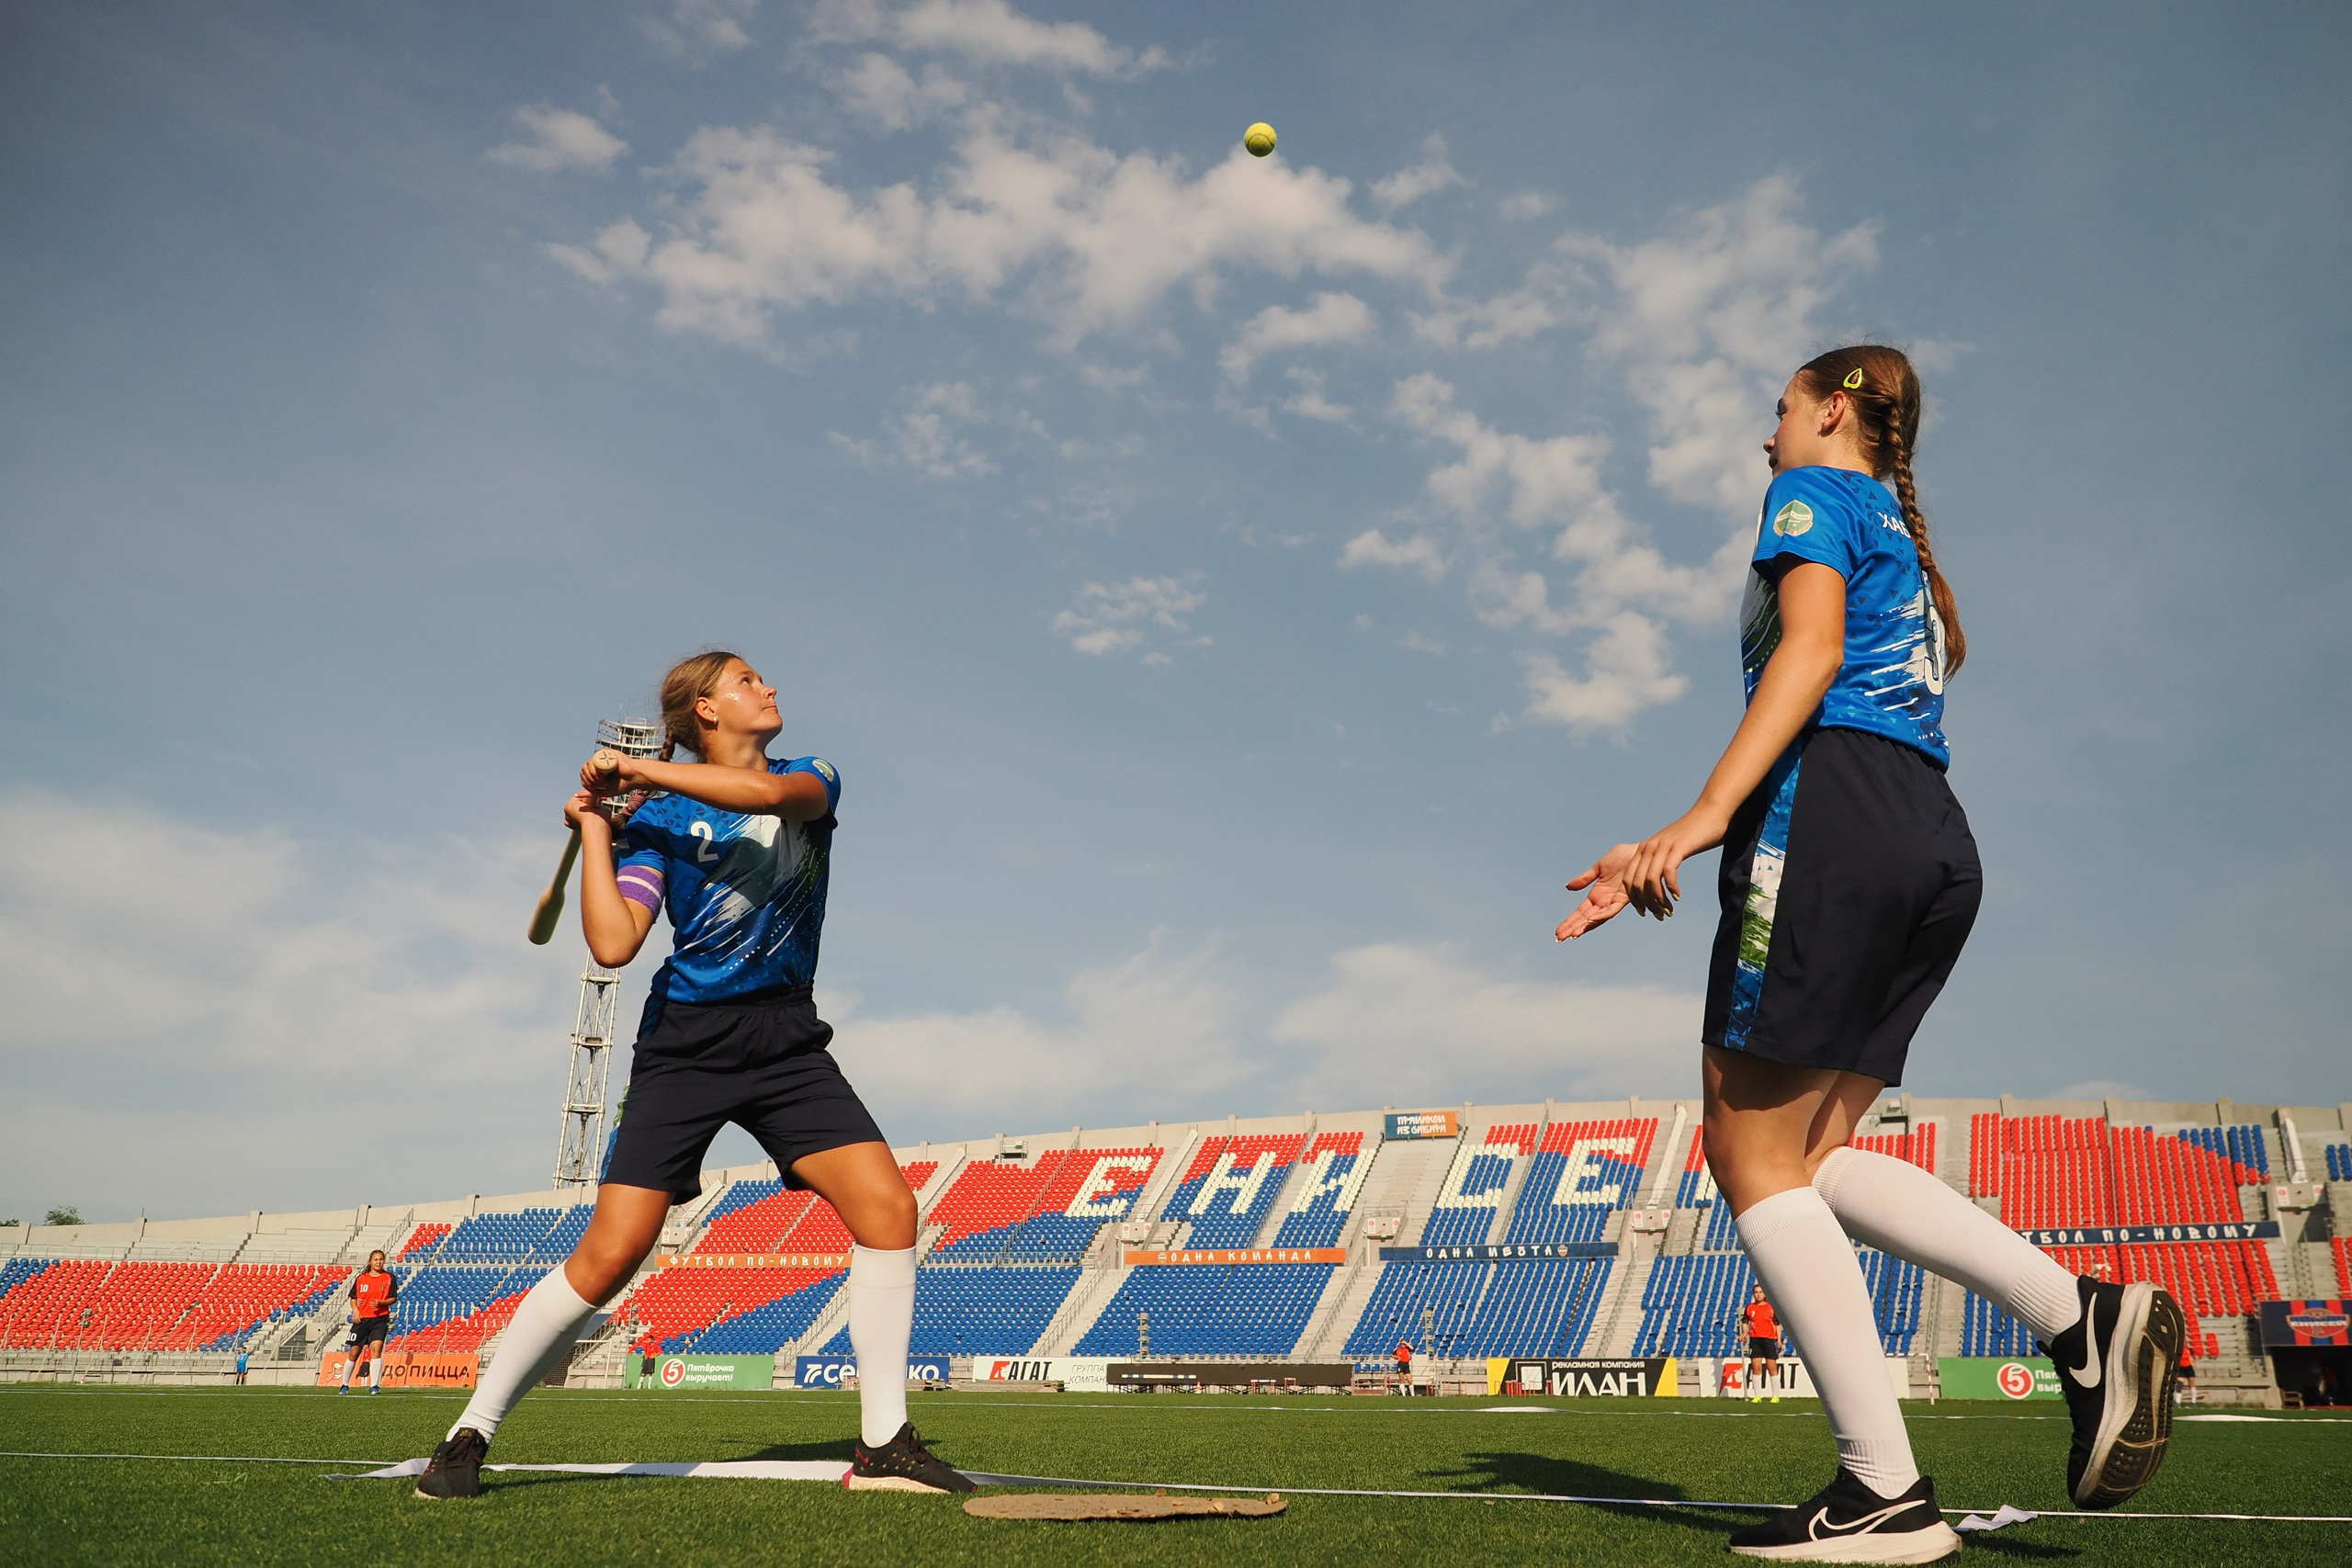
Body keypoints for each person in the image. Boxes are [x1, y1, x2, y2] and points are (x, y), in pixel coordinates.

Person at [1557, 345, 2186, 1560]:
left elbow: (1811, 658)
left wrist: (1695, 822)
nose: (1766, 434)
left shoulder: (1812, 495)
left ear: (1833, 406)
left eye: (1780, 409)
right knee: (1817, 1152)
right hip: (1932, 837)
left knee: (1746, 1150)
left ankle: (1884, 1489)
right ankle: (2083, 1315)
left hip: (1833, 817)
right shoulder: (1905, 540)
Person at [417, 652, 967, 1500]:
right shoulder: (657, 822)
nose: (771, 688)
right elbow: (611, 942)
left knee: (889, 1208)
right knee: (611, 1252)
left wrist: (632, 772)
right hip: (685, 1044)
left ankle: (885, 1439)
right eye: (749, 680)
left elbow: (761, 800)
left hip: (787, 1037)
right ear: (706, 707)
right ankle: (468, 1433)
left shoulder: (809, 779)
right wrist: (602, 828)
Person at [338, 1249, 398, 1394]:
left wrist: (381, 1303)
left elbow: (393, 1298)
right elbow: (353, 1297)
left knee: (376, 1350)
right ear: (370, 1262)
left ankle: (374, 1386)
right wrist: (355, 1310)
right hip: (362, 1319)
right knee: (354, 1352)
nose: (378, 1262)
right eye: (376, 1259)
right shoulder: (361, 1279)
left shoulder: (389, 1278)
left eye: (381, 1259)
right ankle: (344, 1385)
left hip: (380, 1319)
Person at [1742, 1284, 1784, 1404]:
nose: (1758, 1294)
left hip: (1769, 1340)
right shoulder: (1750, 1308)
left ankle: (1775, 1396)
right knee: (1756, 1368)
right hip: (1755, 1341)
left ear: (1764, 1294)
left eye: (1760, 1292)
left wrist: (1779, 1340)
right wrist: (1745, 1333)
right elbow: (1745, 1321)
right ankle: (1757, 1396)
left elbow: (1777, 1324)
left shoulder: (1771, 1307)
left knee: (1772, 1368)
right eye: (1756, 1292)